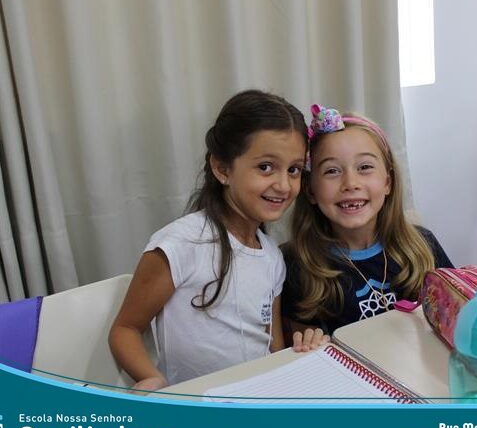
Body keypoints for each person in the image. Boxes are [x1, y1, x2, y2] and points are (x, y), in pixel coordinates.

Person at [109, 90, 329, 392]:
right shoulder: (180, 244)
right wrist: (153, 380)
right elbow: (125, 329)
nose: (283, 185)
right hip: (196, 406)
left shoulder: (272, 257)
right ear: (222, 168)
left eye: (294, 170)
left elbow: (273, 347)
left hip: (255, 401)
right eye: (265, 167)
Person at [281, 104, 453, 336]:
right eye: (332, 171)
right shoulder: (296, 264)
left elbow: (456, 314)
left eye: (364, 167)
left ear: (388, 182)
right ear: (310, 190)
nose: (350, 183)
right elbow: (305, 346)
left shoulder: (423, 244)